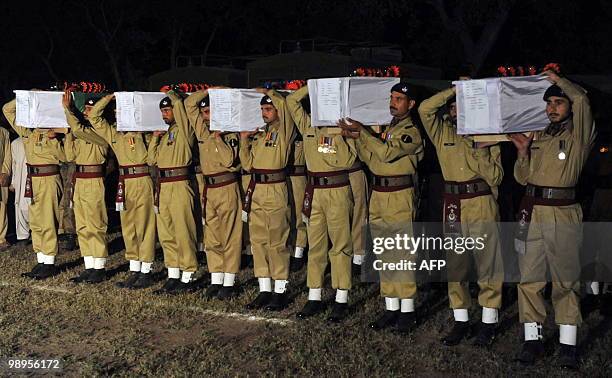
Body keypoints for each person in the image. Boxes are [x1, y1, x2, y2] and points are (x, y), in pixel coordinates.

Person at [509, 71, 595, 368]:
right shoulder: (540, 135)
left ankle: (568, 344)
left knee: (565, 279)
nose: (553, 108)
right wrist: (522, 153)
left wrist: (558, 79)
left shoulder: (579, 135)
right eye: (550, 103)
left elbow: (582, 99)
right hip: (532, 210)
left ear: (569, 106)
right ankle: (532, 340)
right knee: (529, 278)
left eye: (559, 102)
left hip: (562, 212)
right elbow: (523, 178)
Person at [418, 83, 504, 346]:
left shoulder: (485, 134)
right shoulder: (442, 130)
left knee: (487, 263)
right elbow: (424, 109)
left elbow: (496, 176)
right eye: (453, 106)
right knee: (456, 264)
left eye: (461, 106)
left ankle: (489, 322)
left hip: (480, 200)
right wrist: (454, 89)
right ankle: (461, 320)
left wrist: (479, 148)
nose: (456, 111)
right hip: (453, 203)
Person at [339, 83, 424, 332]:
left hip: (399, 194)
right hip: (380, 193)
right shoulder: (388, 130)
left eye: (399, 98)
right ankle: (391, 306)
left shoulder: (411, 131)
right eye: (391, 97)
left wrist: (363, 132)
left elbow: (386, 154)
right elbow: (372, 158)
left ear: (411, 104)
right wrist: (356, 139)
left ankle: (408, 311)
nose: (393, 102)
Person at [286, 84, 357, 322]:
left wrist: (342, 134)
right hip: (314, 191)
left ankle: (341, 298)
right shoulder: (308, 126)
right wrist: (312, 86)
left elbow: (346, 160)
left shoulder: (343, 129)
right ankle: (314, 296)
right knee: (315, 246)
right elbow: (291, 102)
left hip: (337, 190)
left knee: (340, 245)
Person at [88, 94, 157, 289]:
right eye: (116, 113)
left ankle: (147, 270)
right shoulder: (115, 135)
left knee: (144, 225)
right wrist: (109, 98)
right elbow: (94, 117)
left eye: (121, 112)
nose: (118, 116)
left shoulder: (144, 133)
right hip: (124, 181)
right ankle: (134, 267)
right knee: (128, 226)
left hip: (142, 179)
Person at [240, 89, 294, 311]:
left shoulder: (284, 131)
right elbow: (247, 165)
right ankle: (264, 287)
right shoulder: (260, 135)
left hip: (275, 188)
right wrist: (244, 140)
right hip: (257, 189)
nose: (264, 113)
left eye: (268, 109)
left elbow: (286, 107)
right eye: (262, 109)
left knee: (277, 240)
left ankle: (280, 290)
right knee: (259, 240)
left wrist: (269, 91)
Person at [185, 90, 242, 299]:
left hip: (226, 186)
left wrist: (218, 138)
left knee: (230, 235)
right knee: (212, 236)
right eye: (204, 113)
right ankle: (216, 277)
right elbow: (190, 104)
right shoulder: (202, 132)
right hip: (208, 189)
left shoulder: (230, 135)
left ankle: (230, 281)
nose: (205, 117)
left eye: (208, 112)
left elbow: (229, 161)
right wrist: (208, 91)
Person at [3, 99, 65, 279]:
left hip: (49, 178)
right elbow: (7, 110)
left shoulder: (55, 132)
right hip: (33, 179)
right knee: (36, 222)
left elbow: (65, 156)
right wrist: (27, 97)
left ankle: (50, 262)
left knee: (47, 220)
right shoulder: (28, 132)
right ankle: (41, 259)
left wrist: (54, 138)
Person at [147, 91, 198, 294]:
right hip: (164, 185)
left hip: (179, 184)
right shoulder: (166, 133)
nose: (164, 114)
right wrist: (154, 139)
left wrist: (172, 94)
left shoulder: (185, 131)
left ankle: (188, 274)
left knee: (183, 231)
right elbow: (152, 160)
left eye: (167, 110)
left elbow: (181, 110)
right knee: (166, 232)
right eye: (162, 111)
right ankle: (173, 273)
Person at [63, 93, 110, 283]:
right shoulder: (81, 133)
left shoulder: (100, 132)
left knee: (95, 223)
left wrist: (68, 110)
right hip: (80, 179)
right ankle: (89, 265)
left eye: (90, 109)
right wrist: (68, 136)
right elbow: (69, 156)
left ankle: (99, 267)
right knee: (82, 225)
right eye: (86, 109)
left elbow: (77, 128)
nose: (86, 112)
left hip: (93, 179)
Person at [10, 137, 30, 243]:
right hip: (20, 176)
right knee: (20, 204)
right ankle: (23, 234)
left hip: (36, 175)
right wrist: (13, 181)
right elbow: (13, 163)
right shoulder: (16, 143)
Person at [0, 125, 11, 251]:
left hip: (0, 174)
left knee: (2, 206)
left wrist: (5, 172)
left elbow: (8, 154)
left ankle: (1, 238)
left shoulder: (3, 132)